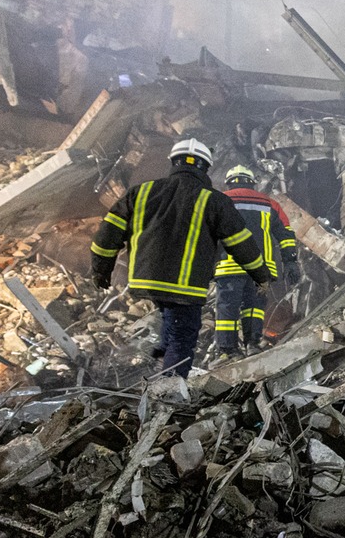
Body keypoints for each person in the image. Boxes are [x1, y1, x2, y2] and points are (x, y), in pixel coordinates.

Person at [91, 138, 270, 379]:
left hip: (146, 281)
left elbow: (107, 234)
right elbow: (241, 244)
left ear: (173, 163)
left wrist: (101, 271)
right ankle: (170, 393)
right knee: (182, 336)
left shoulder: (140, 192)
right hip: (184, 287)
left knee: (170, 320)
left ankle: (155, 366)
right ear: (205, 168)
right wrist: (261, 276)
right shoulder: (214, 200)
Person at [212, 165, 298, 356]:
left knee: (227, 307)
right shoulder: (270, 204)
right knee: (254, 307)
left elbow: (207, 236)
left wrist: (207, 265)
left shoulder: (218, 202)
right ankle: (252, 345)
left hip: (229, 266)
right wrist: (291, 261)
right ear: (252, 183)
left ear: (228, 182)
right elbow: (285, 235)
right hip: (260, 270)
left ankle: (228, 350)